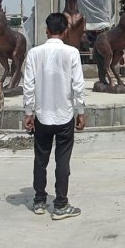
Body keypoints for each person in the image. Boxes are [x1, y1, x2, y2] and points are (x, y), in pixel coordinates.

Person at [23, 13, 86, 220]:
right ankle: (60, 204)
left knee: (40, 159)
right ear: (66, 31)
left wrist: (28, 112)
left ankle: (39, 200)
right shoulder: (72, 53)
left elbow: (29, 86)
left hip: (42, 116)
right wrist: (81, 111)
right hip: (64, 115)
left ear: (46, 30)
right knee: (62, 161)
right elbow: (78, 85)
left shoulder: (34, 53)